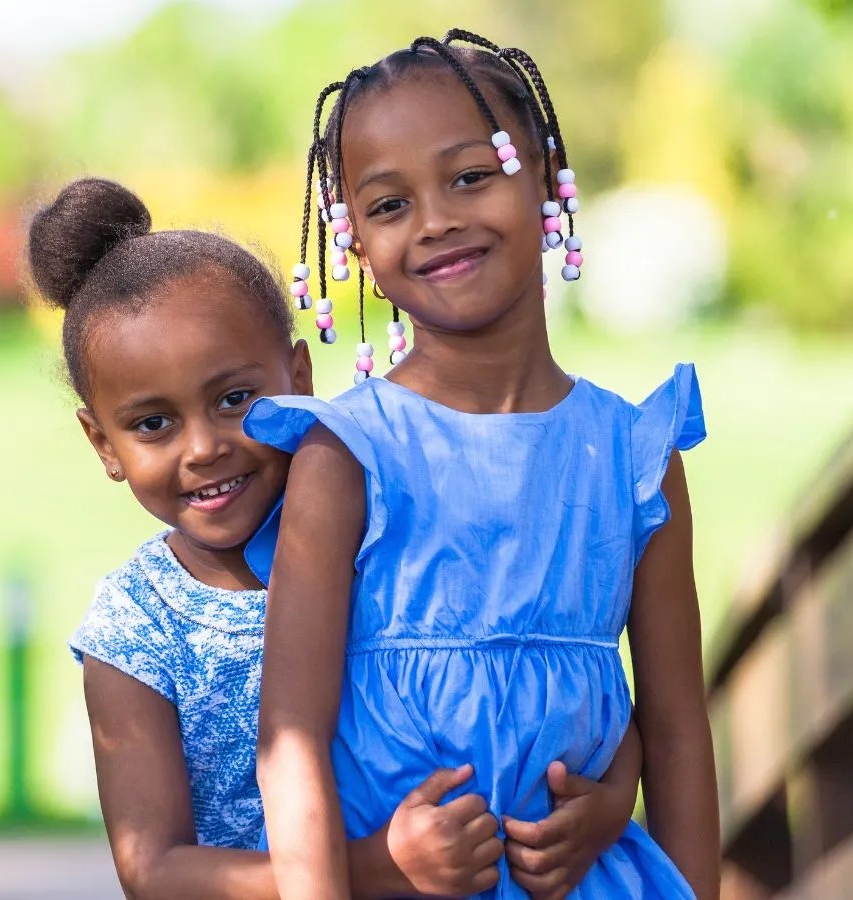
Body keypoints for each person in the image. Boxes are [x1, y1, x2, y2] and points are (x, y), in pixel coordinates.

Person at [31, 176, 647, 898]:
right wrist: (380, 867)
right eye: (153, 424)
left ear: (299, 376)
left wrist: (609, 803)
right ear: (102, 443)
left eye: (235, 399)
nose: (203, 448)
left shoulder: (392, 529)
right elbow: (153, 869)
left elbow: (558, 669)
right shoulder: (139, 627)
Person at [251, 32, 720, 899]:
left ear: (545, 176)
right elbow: (290, 741)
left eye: (470, 176)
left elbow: (678, 730)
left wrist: (639, 830)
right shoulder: (345, 456)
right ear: (356, 243)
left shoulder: (633, 460)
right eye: (390, 205)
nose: (435, 220)